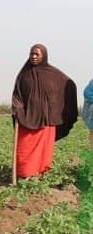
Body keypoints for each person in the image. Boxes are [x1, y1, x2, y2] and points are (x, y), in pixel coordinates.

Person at [11, 44, 78, 179]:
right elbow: (17, 95)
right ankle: (24, 174)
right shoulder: (24, 74)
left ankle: (39, 175)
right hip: (26, 119)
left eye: (37, 54)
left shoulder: (52, 74)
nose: (34, 57)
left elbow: (68, 84)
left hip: (46, 122)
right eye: (32, 54)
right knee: (24, 150)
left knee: (43, 151)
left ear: (44, 56)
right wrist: (17, 108)